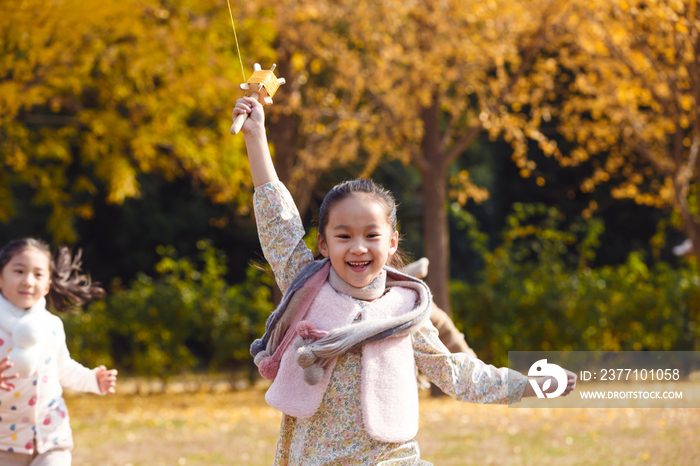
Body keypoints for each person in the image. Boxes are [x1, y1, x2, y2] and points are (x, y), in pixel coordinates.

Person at [234, 96, 576, 465]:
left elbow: (456, 373)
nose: (358, 248)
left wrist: (527, 385)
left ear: (393, 240)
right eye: (344, 236)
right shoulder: (308, 286)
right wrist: (256, 135)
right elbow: (278, 225)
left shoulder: (405, 311)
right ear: (323, 243)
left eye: (372, 235)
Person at [0, 238, 117, 465]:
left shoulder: (51, 325)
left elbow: (64, 369)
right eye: (19, 271)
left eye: (38, 274)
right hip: (4, 444)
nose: (28, 281)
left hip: (51, 438)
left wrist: (93, 379)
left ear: (47, 285)